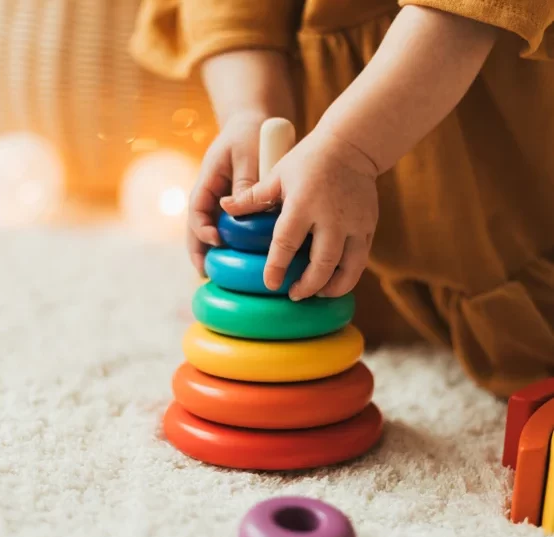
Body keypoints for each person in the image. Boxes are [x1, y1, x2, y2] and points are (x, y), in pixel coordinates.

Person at [130, 0, 554, 398]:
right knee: (310, 297)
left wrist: (350, 149)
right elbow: (231, 11)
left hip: (479, 177)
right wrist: (252, 114)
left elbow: (468, 12)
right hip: (321, 167)